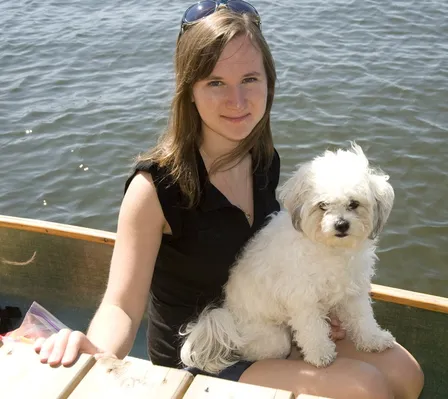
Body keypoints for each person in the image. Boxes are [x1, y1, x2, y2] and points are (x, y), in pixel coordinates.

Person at [34, 2, 424, 398]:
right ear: (189, 90)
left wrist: (325, 307)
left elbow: (287, 257)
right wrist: (95, 352)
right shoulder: (154, 189)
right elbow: (122, 305)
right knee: (365, 388)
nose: (237, 101)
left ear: (269, 82)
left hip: (275, 319)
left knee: (405, 372)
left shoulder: (263, 160)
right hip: (202, 356)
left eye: (250, 79)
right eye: (215, 82)